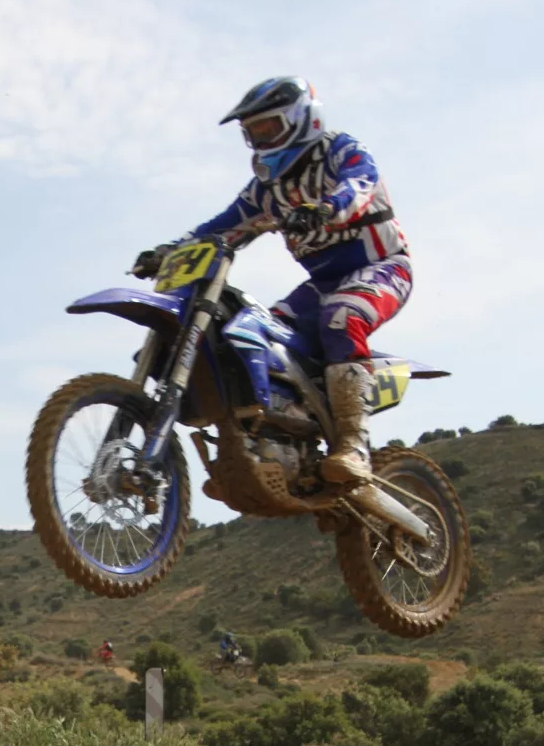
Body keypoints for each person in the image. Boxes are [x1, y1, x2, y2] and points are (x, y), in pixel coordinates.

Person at [136, 76, 410, 483]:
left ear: (302, 120)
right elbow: (218, 228)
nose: (262, 139)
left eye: (269, 128)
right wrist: (167, 252)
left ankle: (354, 445)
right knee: (260, 335)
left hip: (382, 267)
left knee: (341, 316)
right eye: (253, 133)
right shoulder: (266, 191)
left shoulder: (340, 151)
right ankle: (278, 434)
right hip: (322, 285)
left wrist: (325, 207)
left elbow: (360, 186)